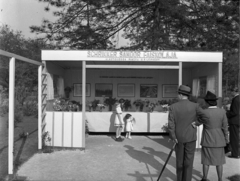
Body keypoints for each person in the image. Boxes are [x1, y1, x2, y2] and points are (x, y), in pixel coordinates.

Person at [168, 85, 209, 181]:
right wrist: (197, 123)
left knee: (179, 161)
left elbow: (171, 124)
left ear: (181, 95)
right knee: (189, 161)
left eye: (178, 94)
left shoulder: (173, 107)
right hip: (191, 137)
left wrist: (173, 136)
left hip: (178, 138)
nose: (178, 96)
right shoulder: (195, 106)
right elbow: (206, 117)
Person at [195, 91, 228, 181]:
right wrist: (226, 139)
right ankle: (220, 179)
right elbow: (225, 127)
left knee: (206, 161)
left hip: (207, 138)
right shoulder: (222, 111)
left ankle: (204, 178)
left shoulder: (204, 112)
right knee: (219, 162)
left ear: (207, 102)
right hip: (219, 139)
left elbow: (197, 123)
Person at [226, 87, 240, 158]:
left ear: (234, 92)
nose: (230, 93)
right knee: (236, 137)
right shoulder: (238, 98)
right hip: (237, 120)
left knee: (234, 138)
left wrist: (227, 113)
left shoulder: (235, 99)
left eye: (231, 91)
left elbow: (234, 112)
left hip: (234, 121)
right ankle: (236, 153)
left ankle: (235, 154)